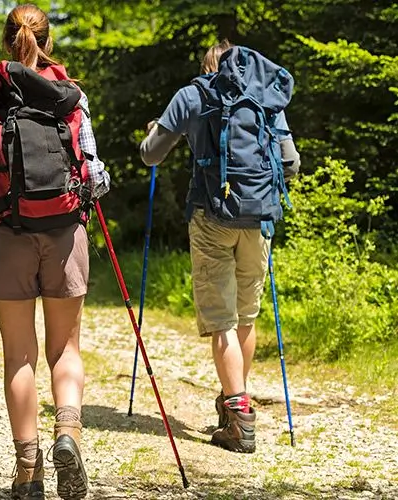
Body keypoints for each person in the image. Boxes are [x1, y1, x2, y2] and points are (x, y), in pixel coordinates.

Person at [0, 4, 110, 499]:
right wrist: (90, 189)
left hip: (10, 232)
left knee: (19, 355)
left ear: (6, 41)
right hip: (65, 232)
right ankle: (68, 435)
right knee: (65, 349)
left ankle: (27, 469)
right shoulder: (72, 96)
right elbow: (94, 174)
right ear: (47, 41)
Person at [139, 40, 301, 453]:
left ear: (207, 65)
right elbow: (291, 164)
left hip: (211, 215)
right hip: (259, 218)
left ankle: (239, 416)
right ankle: (235, 400)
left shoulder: (193, 94)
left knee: (222, 320)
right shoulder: (266, 96)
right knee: (245, 314)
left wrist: (153, 134)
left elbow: (151, 156)